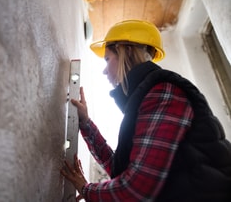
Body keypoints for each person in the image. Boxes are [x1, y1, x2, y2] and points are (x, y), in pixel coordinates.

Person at [61, 19, 231, 201]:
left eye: (107, 59)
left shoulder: (163, 93)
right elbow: (122, 168)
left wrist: (87, 190)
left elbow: (136, 190)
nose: (104, 71)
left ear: (125, 51)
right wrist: (86, 124)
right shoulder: (148, 98)